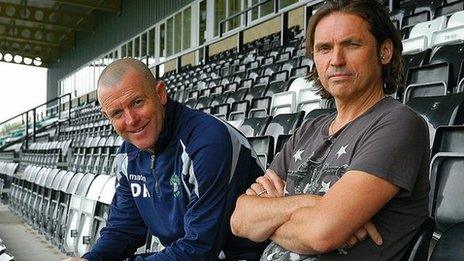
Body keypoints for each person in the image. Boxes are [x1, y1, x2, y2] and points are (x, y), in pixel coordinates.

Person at [230, 0, 430, 260]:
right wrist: (310, 203)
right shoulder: (308, 129)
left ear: (384, 52)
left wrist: (270, 218)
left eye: (351, 45)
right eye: (324, 48)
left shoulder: (398, 123)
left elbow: (321, 234)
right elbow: (239, 220)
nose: (336, 60)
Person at [63, 58, 266, 261]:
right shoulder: (128, 154)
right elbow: (123, 228)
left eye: (137, 102)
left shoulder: (208, 141)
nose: (131, 120)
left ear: (160, 93)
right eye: (117, 113)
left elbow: (200, 248)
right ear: (107, 116)